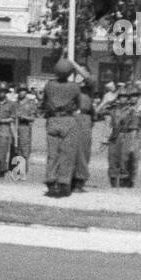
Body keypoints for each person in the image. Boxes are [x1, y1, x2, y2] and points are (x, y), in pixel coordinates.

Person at [40, 56, 89, 197]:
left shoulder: (49, 85)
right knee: (67, 154)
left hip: (53, 120)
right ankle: (63, 183)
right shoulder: (74, 87)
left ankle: (50, 182)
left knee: (52, 154)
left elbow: (44, 102)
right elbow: (78, 104)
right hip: (68, 120)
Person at [0, 84, 17, 177]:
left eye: (3, 91)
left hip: (5, 129)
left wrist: (2, 120)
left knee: (3, 151)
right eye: (0, 91)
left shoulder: (10, 104)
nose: (1, 93)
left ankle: (2, 170)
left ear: (6, 93)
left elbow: (13, 118)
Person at [15, 86, 38, 174]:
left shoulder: (30, 103)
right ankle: (18, 168)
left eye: (23, 91)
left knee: (25, 149)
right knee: (17, 149)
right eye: (20, 90)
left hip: (25, 127)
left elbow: (32, 118)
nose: (21, 92)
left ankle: (23, 170)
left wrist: (24, 117)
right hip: (16, 126)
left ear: (26, 92)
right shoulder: (16, 103)